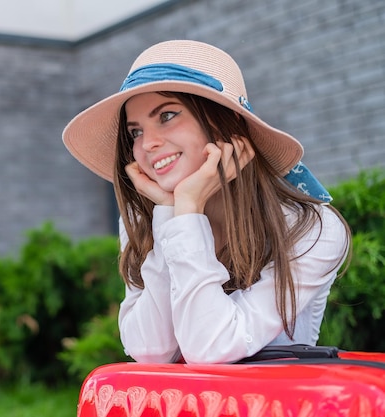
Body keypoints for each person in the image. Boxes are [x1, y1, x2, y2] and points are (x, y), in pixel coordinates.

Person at [62, 40, 351, 364]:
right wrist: (174, 215)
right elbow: (150, 351)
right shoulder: (147, 220)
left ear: (222, 122)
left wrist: (185, 216)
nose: (148, 144)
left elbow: (211, 349)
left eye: (167, 115)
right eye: (135, 132)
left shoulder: (312, 229)